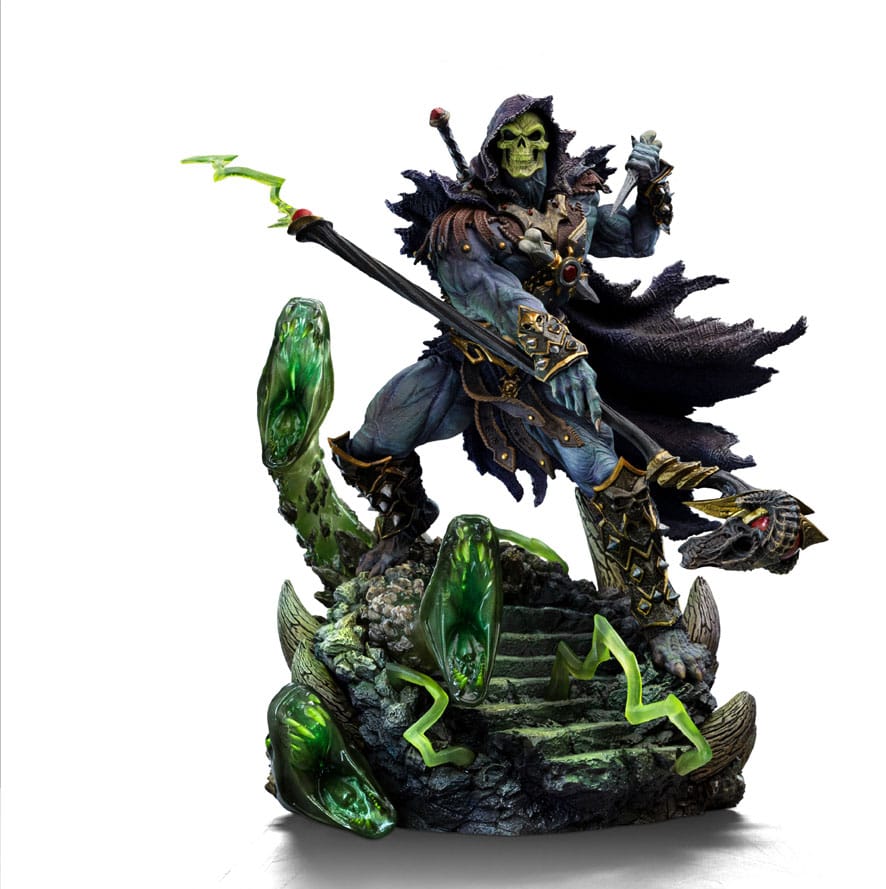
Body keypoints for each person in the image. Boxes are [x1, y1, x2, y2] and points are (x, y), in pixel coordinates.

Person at [328, 94, 801, 679]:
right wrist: (556, 351)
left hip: (550, 375)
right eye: (512, 142)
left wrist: (650, 189)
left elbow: (635, 241)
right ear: (493, 152)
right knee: (378, 433)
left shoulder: (573, 203)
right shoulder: (464, 226)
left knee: (603, 471)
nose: (524, 152)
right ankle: (402, 521)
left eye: (534, 140)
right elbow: (491, 293)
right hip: (473, 360)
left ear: (549, 145)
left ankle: (658, 621)